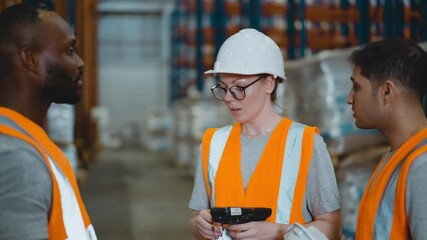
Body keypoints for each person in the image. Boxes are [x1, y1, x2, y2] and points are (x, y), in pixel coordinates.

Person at [188, 28, 342, 240]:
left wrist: (280, 231)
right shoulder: (213, 143)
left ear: (269, 83)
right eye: (223, 87)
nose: (228, 98)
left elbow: (332, 228)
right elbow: (197, 217)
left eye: (238, 88)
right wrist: (201, 225)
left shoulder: (306, 143)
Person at [0, 3, 97, 240]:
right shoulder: (18, 159)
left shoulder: (31, 141)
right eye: (70, 50)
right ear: (30, 60)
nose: (80, 62)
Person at [347, 39, 427, 239]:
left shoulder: (422, 166)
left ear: (386, 91)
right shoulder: (395, 156)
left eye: (357, 87)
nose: (349, 98)